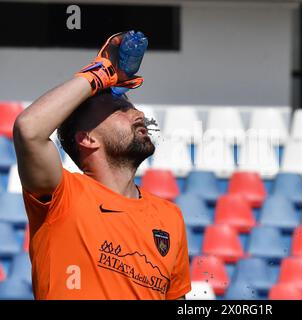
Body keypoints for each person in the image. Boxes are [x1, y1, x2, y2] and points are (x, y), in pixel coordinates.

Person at [12, 32, 191, 300]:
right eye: (119, 109)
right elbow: (29, 130)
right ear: (87, 138)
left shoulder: (170, 216)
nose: (139, 114)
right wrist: (100, 73)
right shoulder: (62, 195)